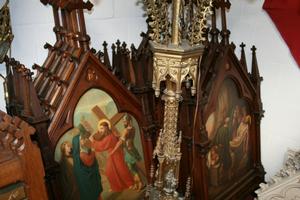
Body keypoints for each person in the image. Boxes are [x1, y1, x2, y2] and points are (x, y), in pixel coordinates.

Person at [90, 119, 134, 192]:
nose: (100, 130)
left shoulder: (109, 137)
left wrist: (93, 141)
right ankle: (116, 186)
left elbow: (101, 145)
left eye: (102, 128)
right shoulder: (109, 136)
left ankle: (130, 184)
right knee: (110, 171)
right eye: (99, 128)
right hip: (112, 154)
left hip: (116, 154)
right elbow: (102, 143)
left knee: (121, 169)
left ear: (107, 128)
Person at [110, 114, 144, 190]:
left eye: (125, 121)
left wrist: (113, 151)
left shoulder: (126, 130)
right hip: (132, 148)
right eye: (123, 121)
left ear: (129, 121)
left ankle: (140, 183)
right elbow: (127, 137)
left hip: (129, 151)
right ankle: (137, 183)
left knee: (131, 167)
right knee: (133, 167)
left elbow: (120, 142)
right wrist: (119, 135)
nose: (123, 123)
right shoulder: (133, 128)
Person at [72, 124, 103, 200]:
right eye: (83, 139)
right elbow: (90, 161)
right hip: (86, 178)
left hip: (89, 176)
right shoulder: (81, 155)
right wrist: (93, 151)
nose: (85, 140)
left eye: (85, 139)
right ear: (78, 143)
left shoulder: (83, 151)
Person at [213, 117, 232, 182]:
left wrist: (220, 144)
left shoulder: (224, 129)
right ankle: (222, 177)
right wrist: (220, 144)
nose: (227, 121)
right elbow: (228, 138)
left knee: (226, 161)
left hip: (224, 147)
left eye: (228, 120)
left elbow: (228, 138)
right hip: (223, 148)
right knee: (224, 161)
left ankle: (225, 177)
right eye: (227, 119)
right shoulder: (223, 129)